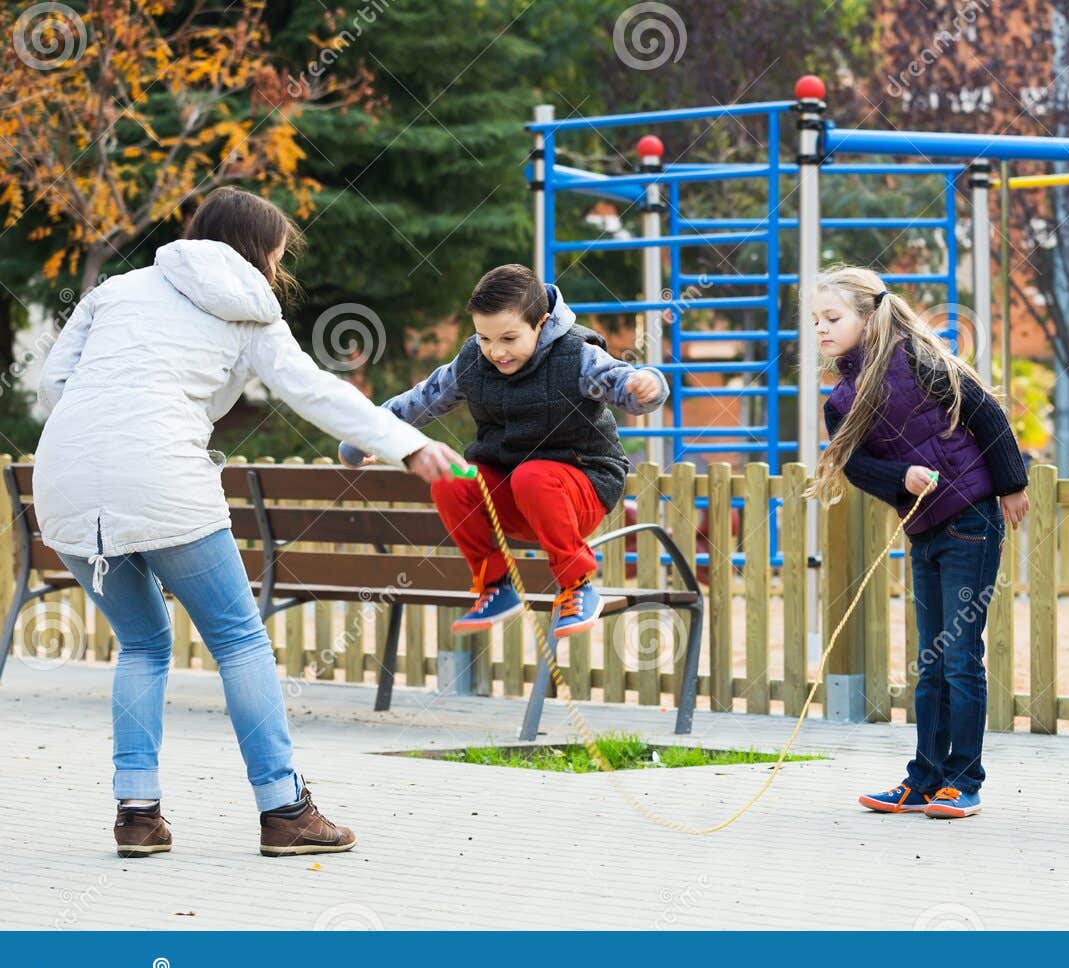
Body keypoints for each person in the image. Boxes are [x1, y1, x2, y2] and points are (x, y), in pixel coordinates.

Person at [33, 186, 463, 858]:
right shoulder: (250, 310)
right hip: (165, 479)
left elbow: (54, 385)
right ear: (261, 252)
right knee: (238, 639)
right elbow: (313, 390)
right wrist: (406, 443)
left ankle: (138, 813)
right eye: (277, 255)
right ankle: (285, 809)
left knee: (142, 644)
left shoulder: (116, 290)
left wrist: (107, 435)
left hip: (63, 484)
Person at [340, 264, 668, 638]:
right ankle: (496, 585)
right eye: (484, 339)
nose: (496, 351)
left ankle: (578, 586)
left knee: (534, 476)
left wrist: (646, 385)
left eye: (509, 339)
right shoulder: (473, 361)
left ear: (541, 324)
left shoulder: (576, 355)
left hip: (582, 486)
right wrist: (369, 432)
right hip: (515, 495)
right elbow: (423, 399)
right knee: (451, 477)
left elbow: (622, 384)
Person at [811, 267, 1028, 820]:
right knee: (929, 660)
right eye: (815, 321)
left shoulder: (920, 361)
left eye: (832, 318)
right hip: (924, 528)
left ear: (867, 315)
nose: (821, 329)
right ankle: (923, 779)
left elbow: (986, 411)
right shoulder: (841, 399)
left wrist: (1012, 484)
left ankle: (964, 780)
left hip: (971, 522)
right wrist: (900, 477)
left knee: (959, 657)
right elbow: (857, 466)